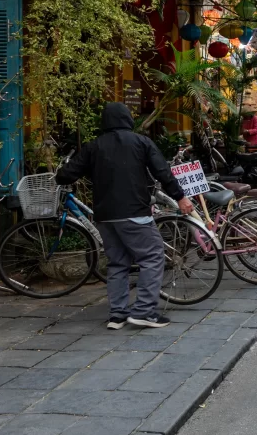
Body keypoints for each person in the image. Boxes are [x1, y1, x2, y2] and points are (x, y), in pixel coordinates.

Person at [56, 103, 193, 329]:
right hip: (133, 212)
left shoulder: (93, 146)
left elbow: (66, 175)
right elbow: (162, 171)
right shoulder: (141, 142)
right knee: (152, 257)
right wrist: (180, 197)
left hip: (105, 216)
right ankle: (144, 311)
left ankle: (117, 315)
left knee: (117, 262)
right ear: (128, 119)